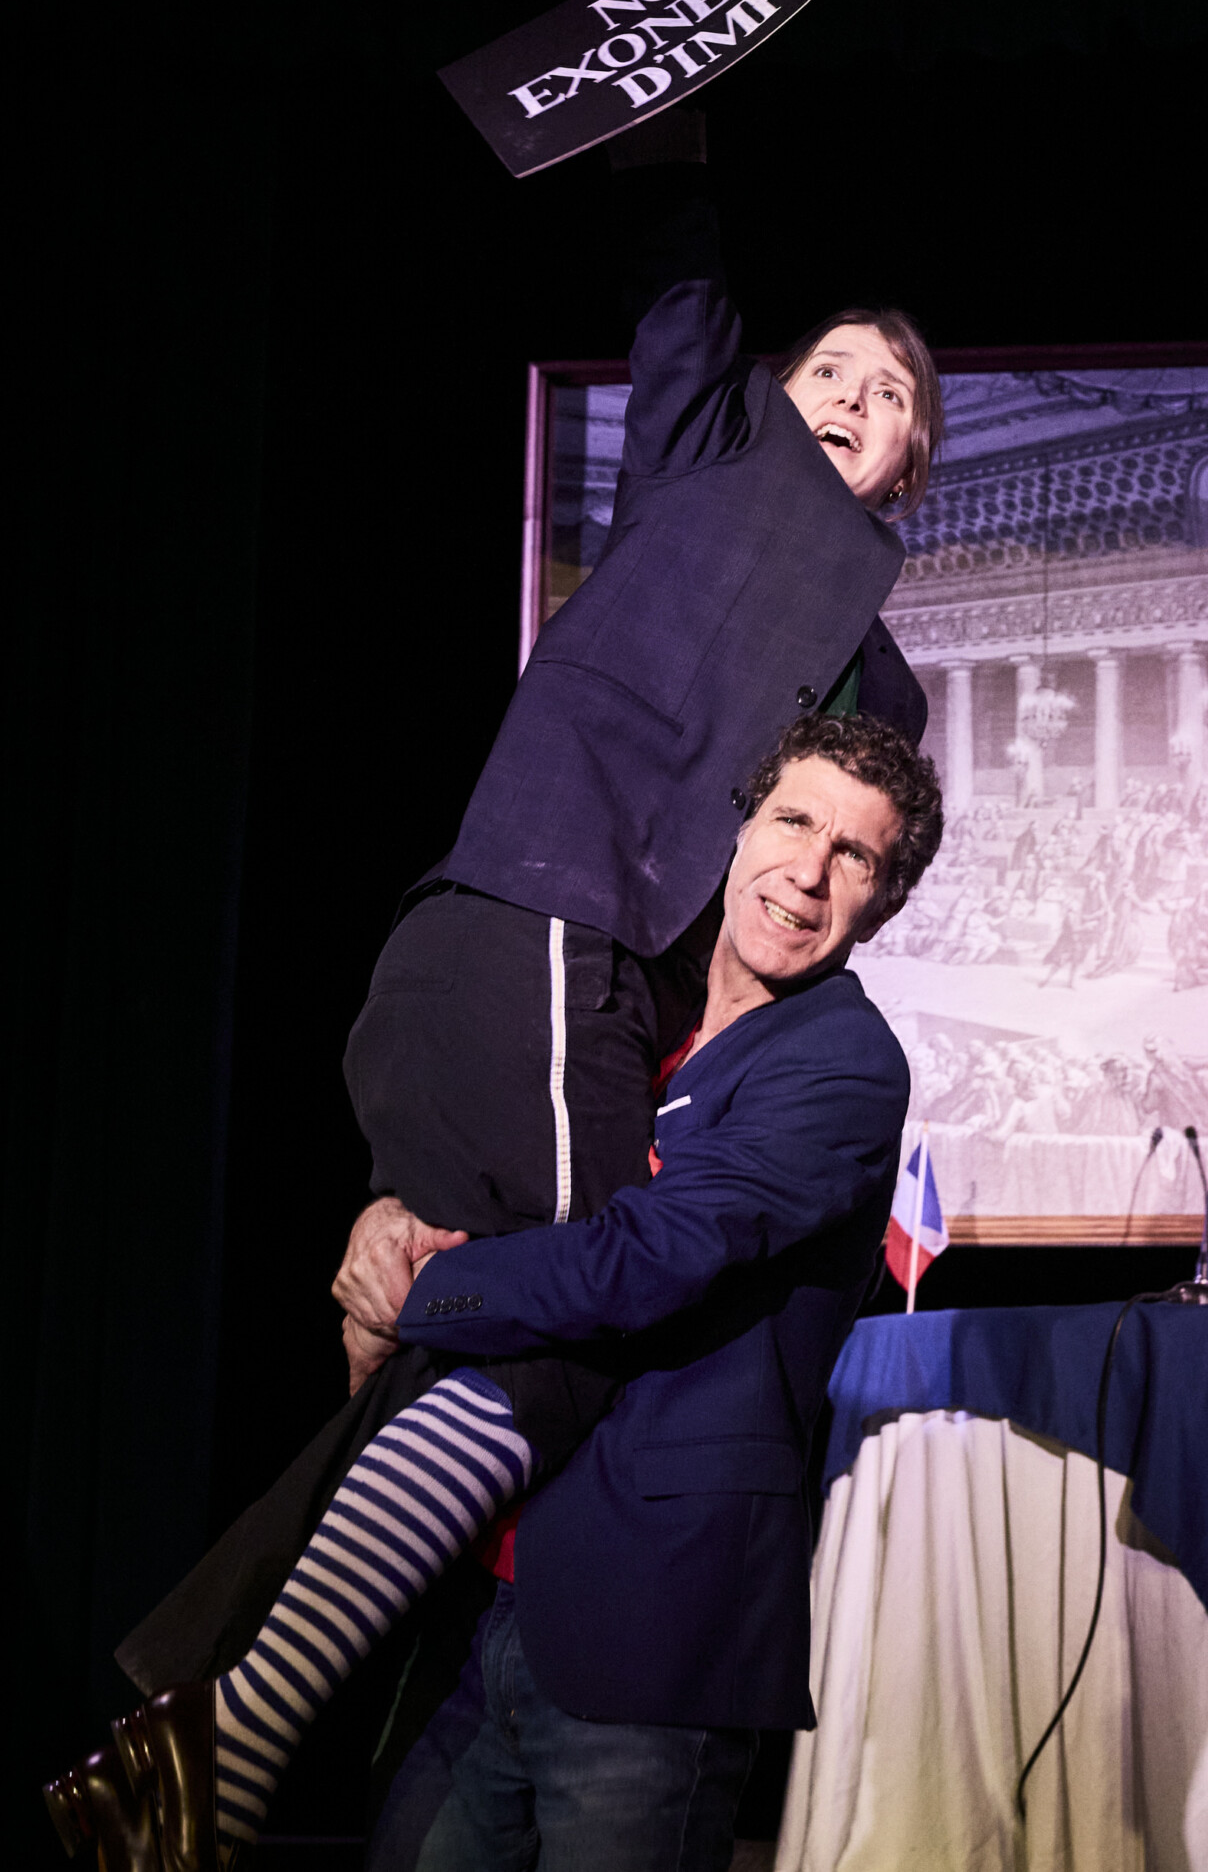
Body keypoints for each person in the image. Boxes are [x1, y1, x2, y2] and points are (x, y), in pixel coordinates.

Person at [48, 0, 941, 1867]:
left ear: (903, 478)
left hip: (533, 975)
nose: (851, 396)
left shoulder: (867, 680)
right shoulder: (704, 465)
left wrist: (418, 1251)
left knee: (453, 1325)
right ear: (776, 394)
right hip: (532, 922)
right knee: (523, 1320)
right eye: (830, 368)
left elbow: (829, 868)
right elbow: (676, 257)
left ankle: (194, 1732)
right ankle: (232, 1744)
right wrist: (669, 19)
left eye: (889, 400)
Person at [61, 714, 943, 1872]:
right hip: (472, 1608)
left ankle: (227, 1741)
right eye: (793, 820)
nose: (808, 871)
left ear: (880, 903)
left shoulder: (843, 1060)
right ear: (737, 828)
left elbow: (647, 1258)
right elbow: (491, 1165)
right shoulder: (619, 1001)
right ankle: (226, 1736)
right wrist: (389, 1214)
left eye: (853, 854)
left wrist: (426, 1288)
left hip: (644, 1633)